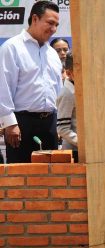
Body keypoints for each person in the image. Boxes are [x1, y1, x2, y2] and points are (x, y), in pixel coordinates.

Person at [0, 1, 62, 163]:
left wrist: (58, 123)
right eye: (50, 23)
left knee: (52, 176)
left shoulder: (52, 54)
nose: (53, 29)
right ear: (35, 19)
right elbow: (3, 87)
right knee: (20, 177)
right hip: (21, 125)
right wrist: (10, 124)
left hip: (50, 124)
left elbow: (58, 90)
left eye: (56, 25)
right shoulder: (12, 47)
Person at [56, 52, 78, 162]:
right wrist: (83, 143)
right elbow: (62, 129)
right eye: (80, 72)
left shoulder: (83, 89)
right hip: (75, 151)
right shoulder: (67, 94)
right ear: (69, 73)